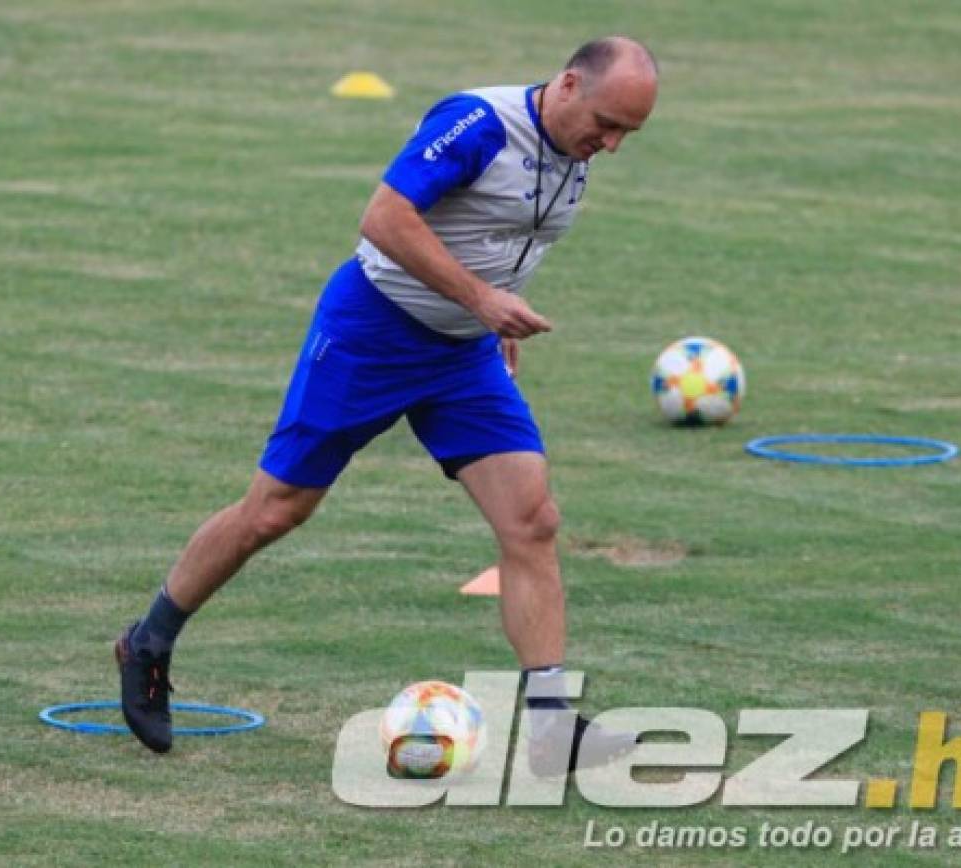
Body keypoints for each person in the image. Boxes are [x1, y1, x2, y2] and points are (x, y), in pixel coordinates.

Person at [115, 36, 659, 769]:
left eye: (629, 132)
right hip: (371, 330)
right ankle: (148, 640)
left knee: (532, 521)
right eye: (606, 122)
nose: (612, 145)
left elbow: (494, 233)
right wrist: (481, 298)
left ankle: (552, 727)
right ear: (566, 85)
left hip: (462, 354)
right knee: (275, 510)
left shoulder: (574, 150)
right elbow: (385, 216)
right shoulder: (480, 123)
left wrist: (492, 315)